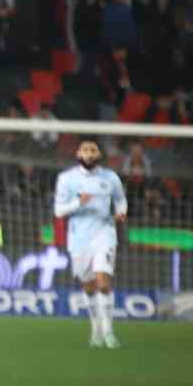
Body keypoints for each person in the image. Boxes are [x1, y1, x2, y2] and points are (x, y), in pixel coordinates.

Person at [53, 139, 128, 349]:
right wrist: (79, 202)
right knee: (88, 287)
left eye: (92, 150)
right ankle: (95, 328)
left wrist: (121, 212)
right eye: (84, 150)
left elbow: (120, 199)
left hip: (104, 234)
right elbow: (58, 211)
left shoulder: (110, 177)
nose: (88, 153)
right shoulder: (66, 179)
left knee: (103, 282)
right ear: (78, 154)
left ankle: (109, 332)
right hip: (78, 239)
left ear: (98, 155)